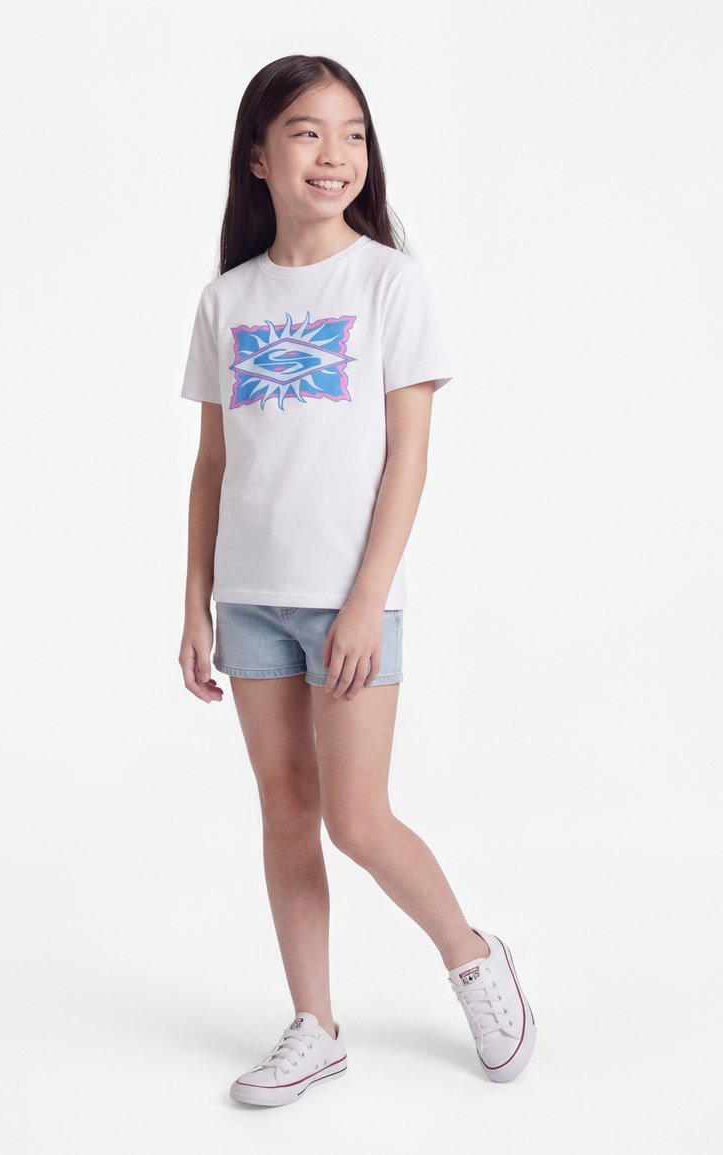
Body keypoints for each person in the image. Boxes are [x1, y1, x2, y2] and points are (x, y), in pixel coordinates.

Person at [178, 54, 537, 1108]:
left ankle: (473, 957)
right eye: (305, 131)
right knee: (286, 811)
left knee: (358, 819)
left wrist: (365, 600)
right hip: (249, 600)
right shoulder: (227, 299)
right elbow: (212, 465)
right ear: (258, 156)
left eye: (352, 134)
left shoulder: (388, 282)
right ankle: (315, 1026)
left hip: (350, 600)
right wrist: (194, 604)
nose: (333, 154)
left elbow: (407, 456)